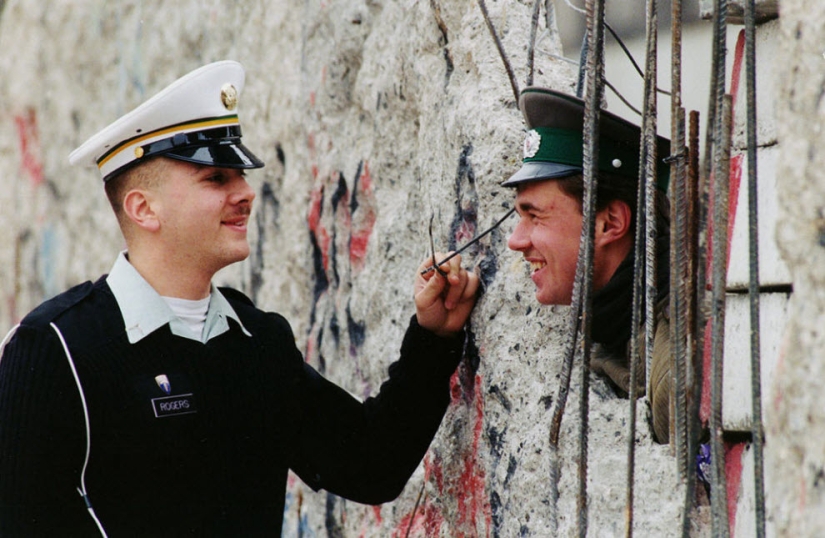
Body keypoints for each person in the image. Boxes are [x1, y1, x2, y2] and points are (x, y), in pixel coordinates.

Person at [0, 61, 479, 536]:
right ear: (144, 208)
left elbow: (371, 464)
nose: (245, 193)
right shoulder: (55, 346)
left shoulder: (256, 340)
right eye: (216, 179)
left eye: (240, 176)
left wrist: (433, 338)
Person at [502, 87, 672, 444]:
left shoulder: (674, 348)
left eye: (535, 216)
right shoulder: (618, 329)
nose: (515, 240)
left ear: (609, 223)